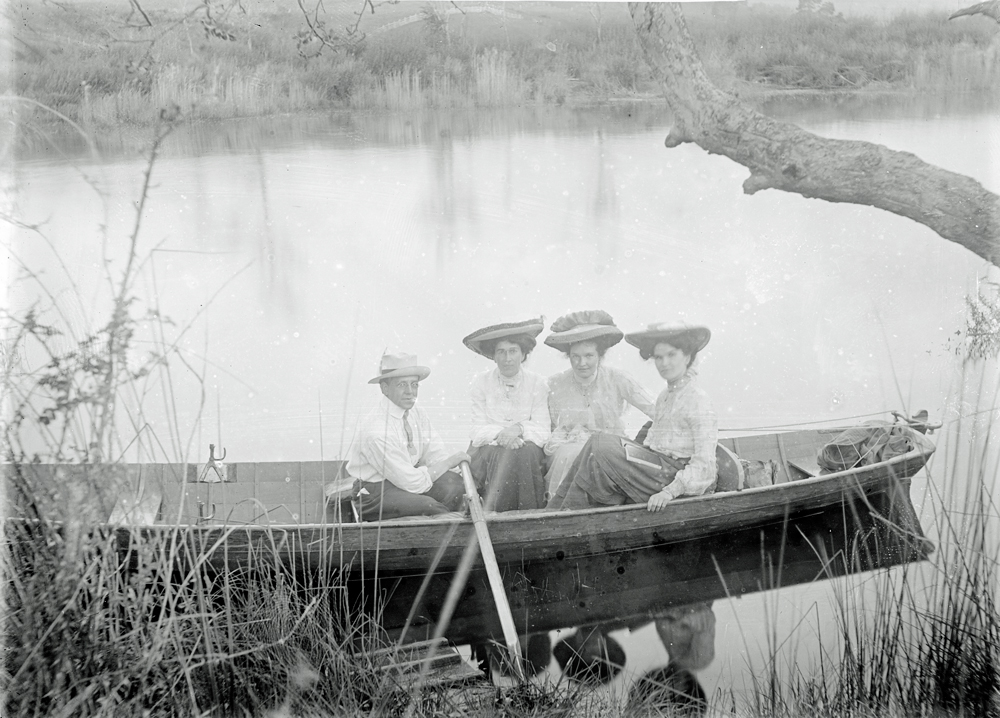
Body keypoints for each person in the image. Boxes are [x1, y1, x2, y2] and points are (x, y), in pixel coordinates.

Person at [547, 323, 718, 511]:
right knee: (598, 443)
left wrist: (668, 492)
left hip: (674, 478)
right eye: (659, 357)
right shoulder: (666, 396)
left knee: (600, 447)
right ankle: (559, 510)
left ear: (687, 357)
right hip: (657, 467)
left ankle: (568, 513)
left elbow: (705, 467)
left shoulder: (697, 400)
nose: (664, 363)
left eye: (671, 355)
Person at [541, 310, 655, 498]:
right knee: (571, 454)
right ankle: (563, 507)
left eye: (589, 356)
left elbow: (656, 408)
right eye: (575, 356)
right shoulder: (554, 384)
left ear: (600, 355)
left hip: (610, 447)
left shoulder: (618, 378)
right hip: (567, 448)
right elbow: (544, 425)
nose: (581, 363)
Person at [346, 352, 470, 521]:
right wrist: (449, 462)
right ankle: (445, 530)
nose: (410, 392)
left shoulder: (417, 412)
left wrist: (458, 469)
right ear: (385, 388)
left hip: (404, 480)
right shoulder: (377, 430)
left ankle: (447, 527)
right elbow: (413, 483)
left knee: (456, 486)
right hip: (373, 493)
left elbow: (434, 453)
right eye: (402, 385)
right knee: (430, 508)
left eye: (414, 384)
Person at [463, 318, 551, 512]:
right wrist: (501, 436)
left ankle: (529, 515)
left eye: (513, 351)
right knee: (502, 454)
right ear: (493, 356)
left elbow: (543, 430)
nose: (507, 358)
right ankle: (497, 514)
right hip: (489, 449)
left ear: (523, 354)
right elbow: (477, 430)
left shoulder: (537, 383)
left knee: (526, 452)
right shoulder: (481, 383)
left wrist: (518, 429)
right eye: (500, 352)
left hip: (526, 450)